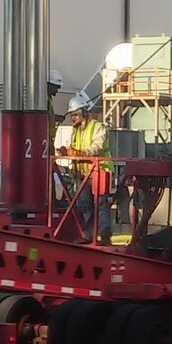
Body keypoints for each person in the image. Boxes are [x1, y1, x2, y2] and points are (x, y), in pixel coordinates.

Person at [67, 95, 113, 241]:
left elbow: (97, 148)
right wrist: (66, 151)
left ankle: (105, 234)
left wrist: (79, 153)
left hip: (99, 170)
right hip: (83, 173)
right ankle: (89, 235)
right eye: (72, 115)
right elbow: (72, 147)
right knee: (85, 205)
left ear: (83, 112)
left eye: (75, 114)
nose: (73, 118)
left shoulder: (98, 127)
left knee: (100, 204)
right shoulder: (75, 131)